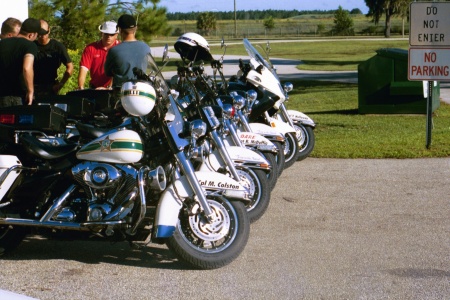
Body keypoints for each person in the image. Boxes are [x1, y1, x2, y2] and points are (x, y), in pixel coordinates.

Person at [0, 18, 47, 107]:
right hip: (16, 96)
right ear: (31, 35)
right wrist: (30, 91)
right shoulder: (30, 45)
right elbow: (27, 68)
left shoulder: (2, 43)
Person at [104, 14, 150, 96]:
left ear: (120, 30)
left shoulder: (114, 50)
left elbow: (108, 72)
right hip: (141, 93)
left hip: (121, 93)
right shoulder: (146, 47)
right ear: (135, 29)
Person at [34, 19, 74, 97]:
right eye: (39, 34)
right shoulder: (32, 46)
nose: (42, 36)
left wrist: (61, 84)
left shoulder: (57, 46)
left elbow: (70, 66)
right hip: (33, 86)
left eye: (44, 33)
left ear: (49, 30)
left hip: (51, 86)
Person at [78, 20, 119, 90]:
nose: (109, 36)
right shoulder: (90, 48)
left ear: (116, 35)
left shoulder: (120, 48)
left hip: (114, 89)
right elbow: (83, 69)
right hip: (94, 88)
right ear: (101, 33)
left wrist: (109, 88)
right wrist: (81, 87)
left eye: (112, 34)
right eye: (106, 33)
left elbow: (118, 71)